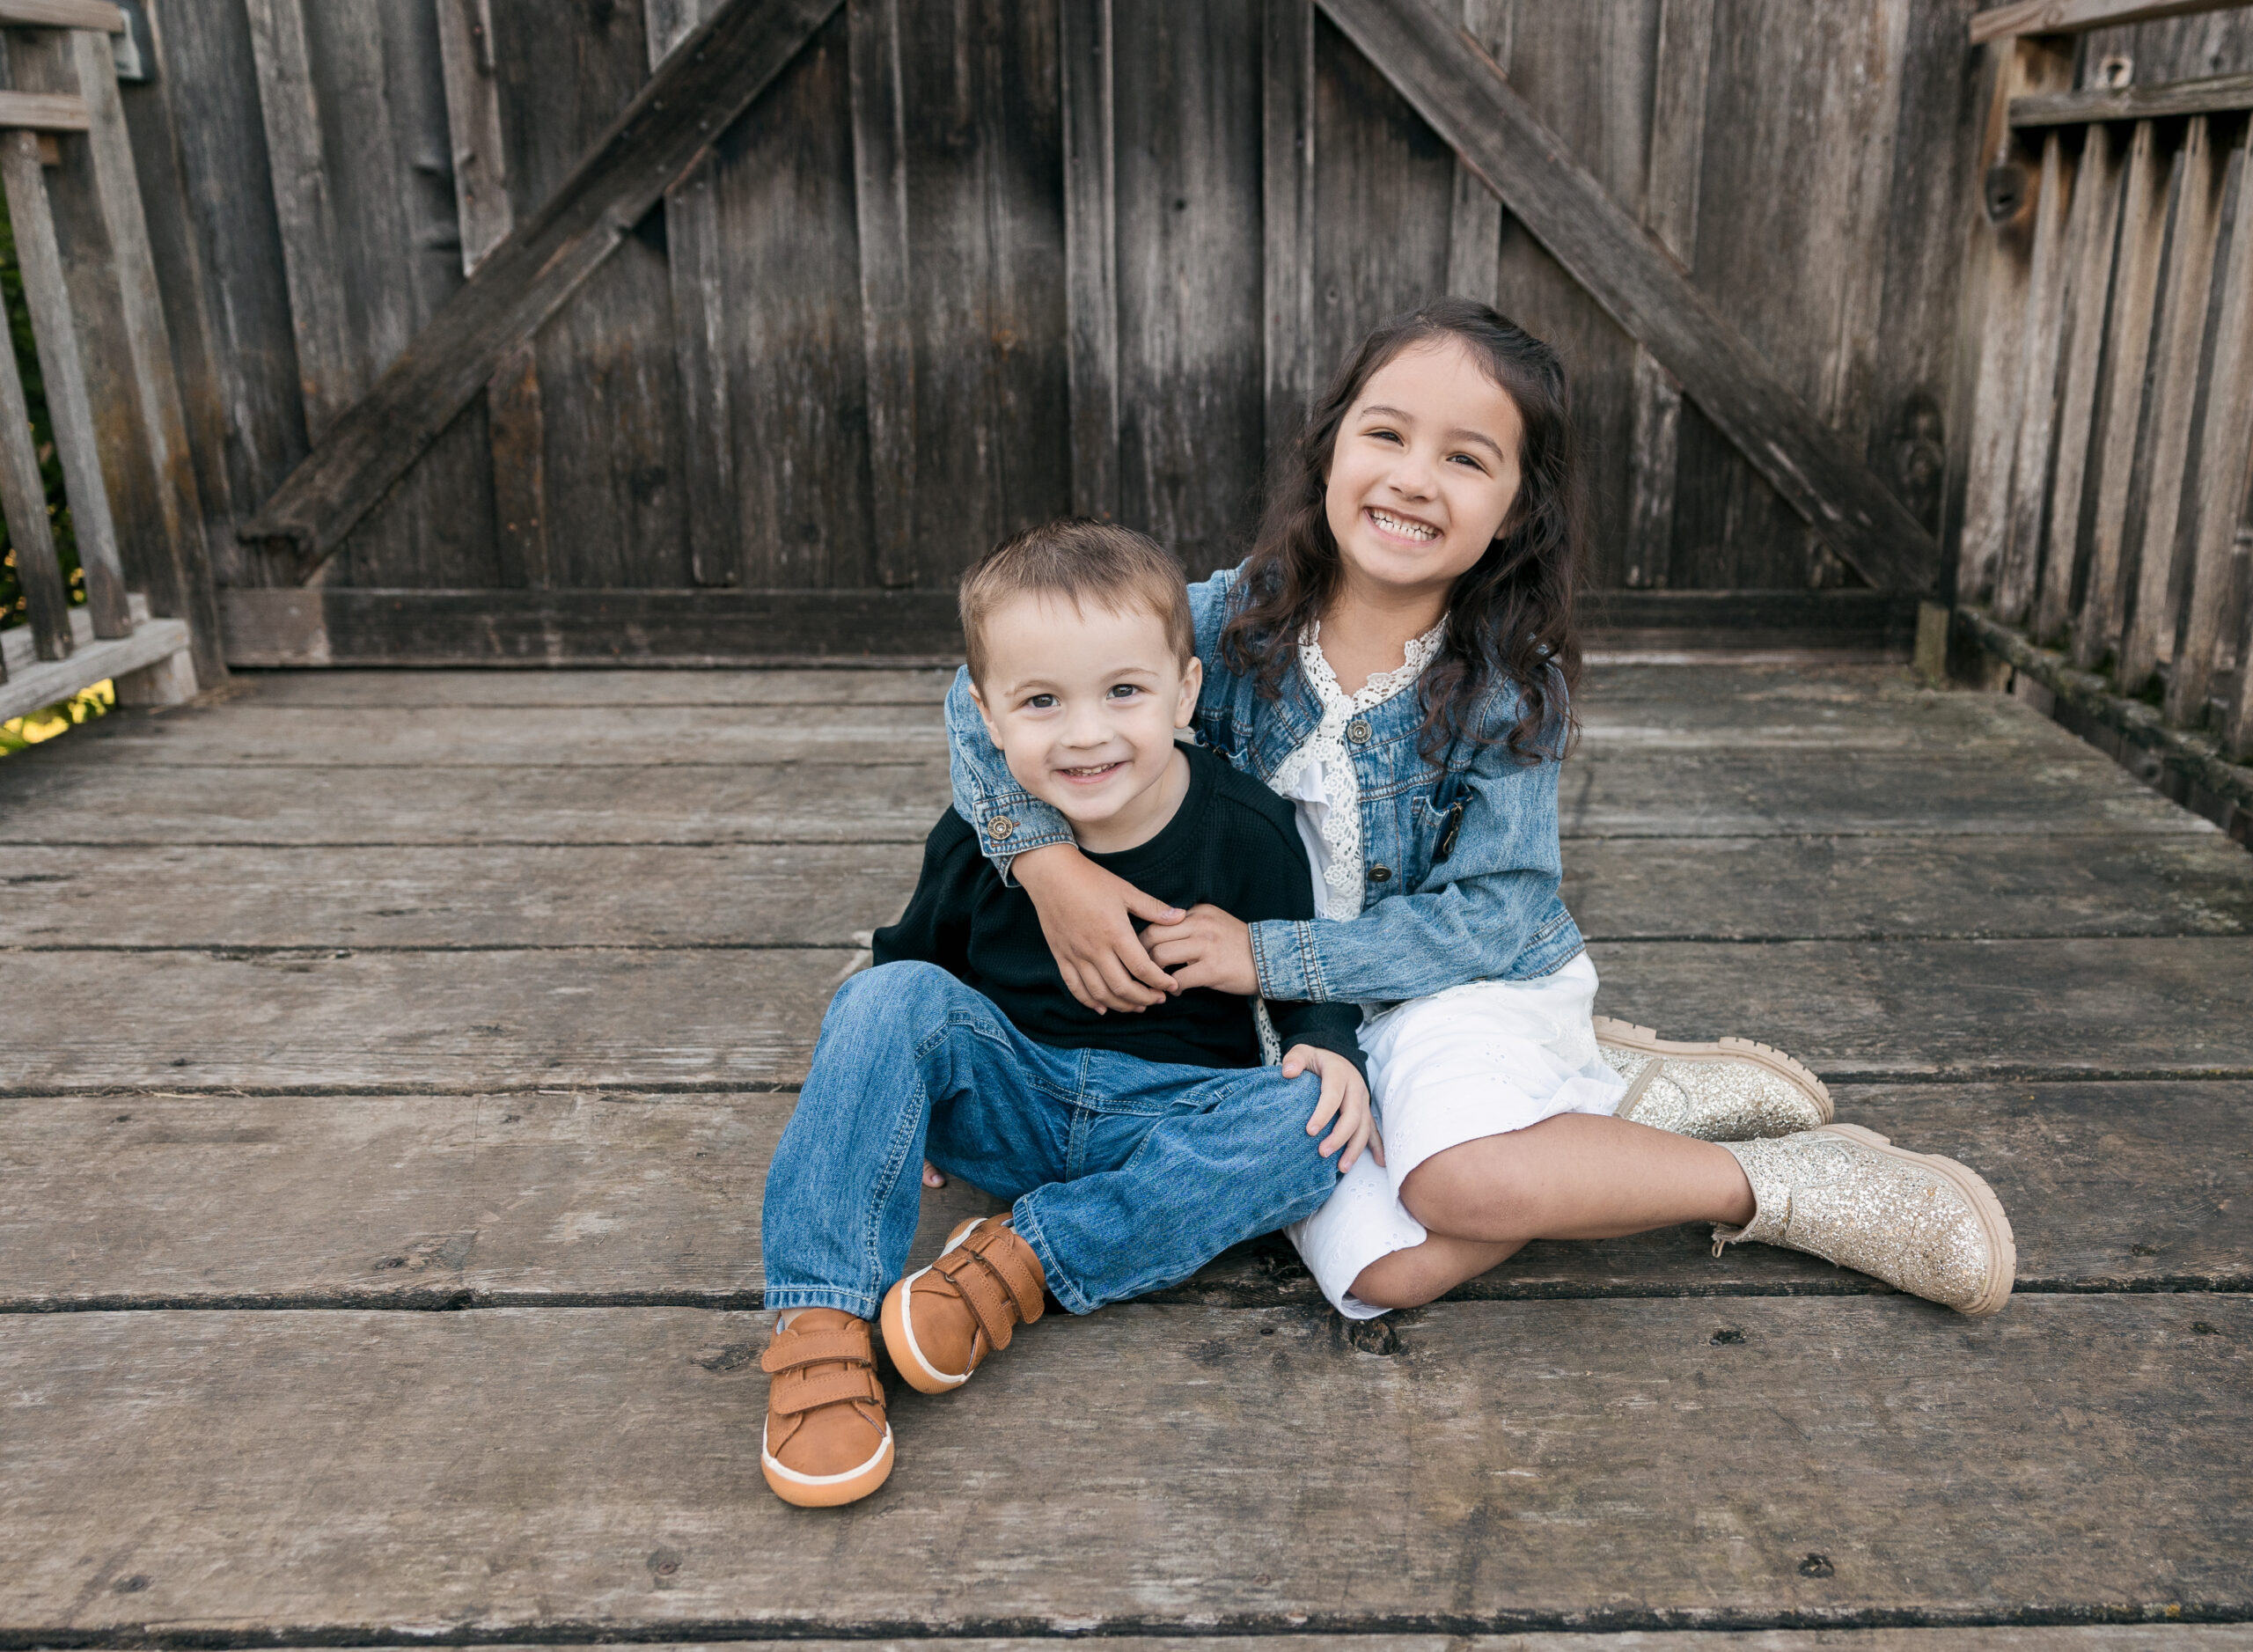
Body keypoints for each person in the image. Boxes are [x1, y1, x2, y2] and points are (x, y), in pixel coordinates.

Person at [943, 297, 2015, 1324]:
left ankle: (1771, 1183)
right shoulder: (1230, 621)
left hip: (1457, 982)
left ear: (1515, 509)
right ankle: (1601, 1103)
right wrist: (1047, 864)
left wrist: (1273, 955)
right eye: (1387, 434)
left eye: (1466, 457)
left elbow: (1496, 912)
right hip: (1284, 1021)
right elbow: (975, 688)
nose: (1414, 479)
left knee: (1456, 1186)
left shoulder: (1505, 685)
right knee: (1390, 1271)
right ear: (1330, 451)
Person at [758, 520, 1376, 1509]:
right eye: (1041, 701)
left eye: (1122, 692)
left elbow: (1299, 976)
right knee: (879, 997)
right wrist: (893, 1098)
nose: (1085, 732)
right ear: (988, 720)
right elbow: (913, 962)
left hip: (1166, 1119)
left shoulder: (1248, 828)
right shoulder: (978, 839)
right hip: (1011, 1098)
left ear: (1184, 692)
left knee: (1309, 1129)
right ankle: (820, 1325)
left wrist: (1322, 1041)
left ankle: (1017, 1265)